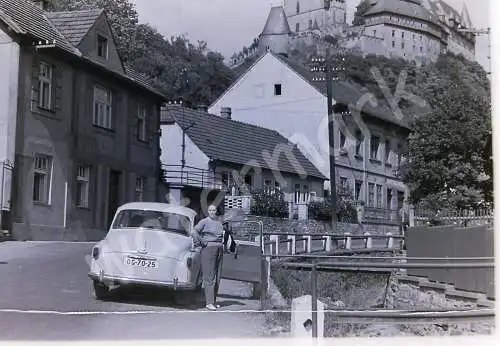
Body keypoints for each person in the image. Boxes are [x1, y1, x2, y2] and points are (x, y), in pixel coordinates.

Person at [191, 204, 224, 311]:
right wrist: (201, 241)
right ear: (208, 212)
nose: (212, 212)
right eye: (210, 210)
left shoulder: (219, 223)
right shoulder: (204, 222)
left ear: (216, 211)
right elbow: (194, 231)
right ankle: (209, 302)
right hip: (208, 249)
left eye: (214, 210)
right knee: (209, 276)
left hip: (219, 248)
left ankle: (213, 301)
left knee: (217, 276)